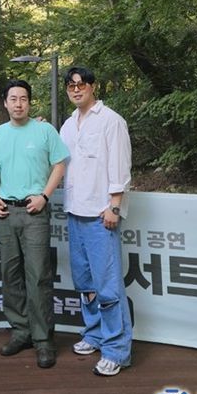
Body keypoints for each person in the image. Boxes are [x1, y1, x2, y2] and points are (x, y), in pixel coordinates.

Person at [0, 79, 69, 369]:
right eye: (13, 98)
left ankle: (43, 339)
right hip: (6, 213)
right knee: (10, 274)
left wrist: (45, 196)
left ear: (30, 102)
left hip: (35, 212)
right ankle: (20, 331)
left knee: (38, 275)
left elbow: (60, 164)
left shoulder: (45, 131)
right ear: (5, 103)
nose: (18, 103)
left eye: (23, 98)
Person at [59, 66, 133, 377]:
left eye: (82, 84)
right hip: (75, 212)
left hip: (101, 215)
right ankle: (94, 334)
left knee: (108, 285)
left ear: (93, 86)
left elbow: (121, 166)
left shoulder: (111, 120)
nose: (76, 89)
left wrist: (114, 206)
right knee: (85, 282)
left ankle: (116, 349)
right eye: (71, 85)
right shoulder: (67, 125)